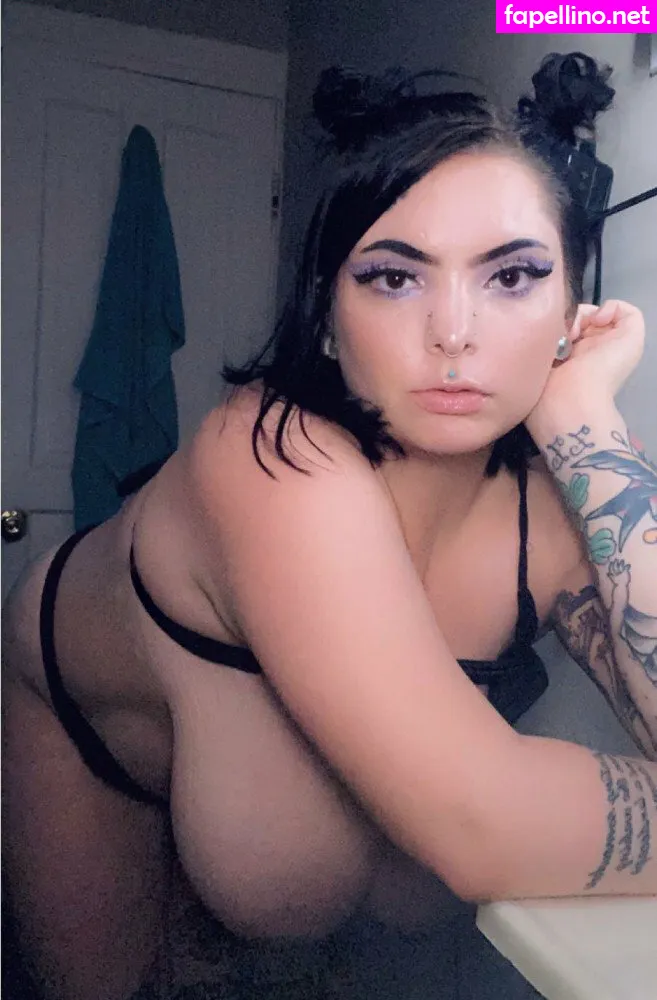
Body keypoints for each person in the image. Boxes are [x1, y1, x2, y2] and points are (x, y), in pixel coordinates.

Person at [3, 55, 657, 1000]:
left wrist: (581, 417)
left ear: (570, 310)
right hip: (92, 724)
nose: (454, 331)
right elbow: (482, 825)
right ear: (324, 318)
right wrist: (507, 805)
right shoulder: (269, 456)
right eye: (393, 277)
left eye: (513, 275)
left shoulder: (557, 493)